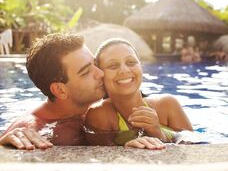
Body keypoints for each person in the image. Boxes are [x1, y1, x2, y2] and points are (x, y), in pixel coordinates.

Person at [0, 34, 165, 150]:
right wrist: (4, 144)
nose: (100, 73)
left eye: (95, 63)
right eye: (86, 72)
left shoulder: (97, 105)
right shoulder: (34, 129)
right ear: (60, 90)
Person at [85, 38, 193, 144]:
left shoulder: (168, 105)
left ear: (141, 67)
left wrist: (158, 133)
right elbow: (103, 156)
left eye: (131, 62)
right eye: (113, 66)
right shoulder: (100, 114)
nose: (124, 70)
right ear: (100, 75)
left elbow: (193, 148)